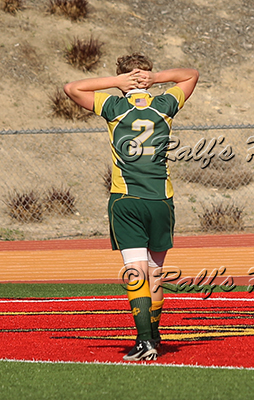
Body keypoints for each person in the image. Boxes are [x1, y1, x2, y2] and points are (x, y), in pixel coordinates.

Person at [64, 54, 199, 360]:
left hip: (126, 198)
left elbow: (72, 88)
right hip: (161, 198)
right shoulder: (164, 105)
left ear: (123, 78)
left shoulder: (114, 106)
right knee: (155, 272)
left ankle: (144, 340)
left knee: (135, 270)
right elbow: (191, 74)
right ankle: (154, 335)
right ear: (147, 79)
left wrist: (116, 82)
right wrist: (157, 78)